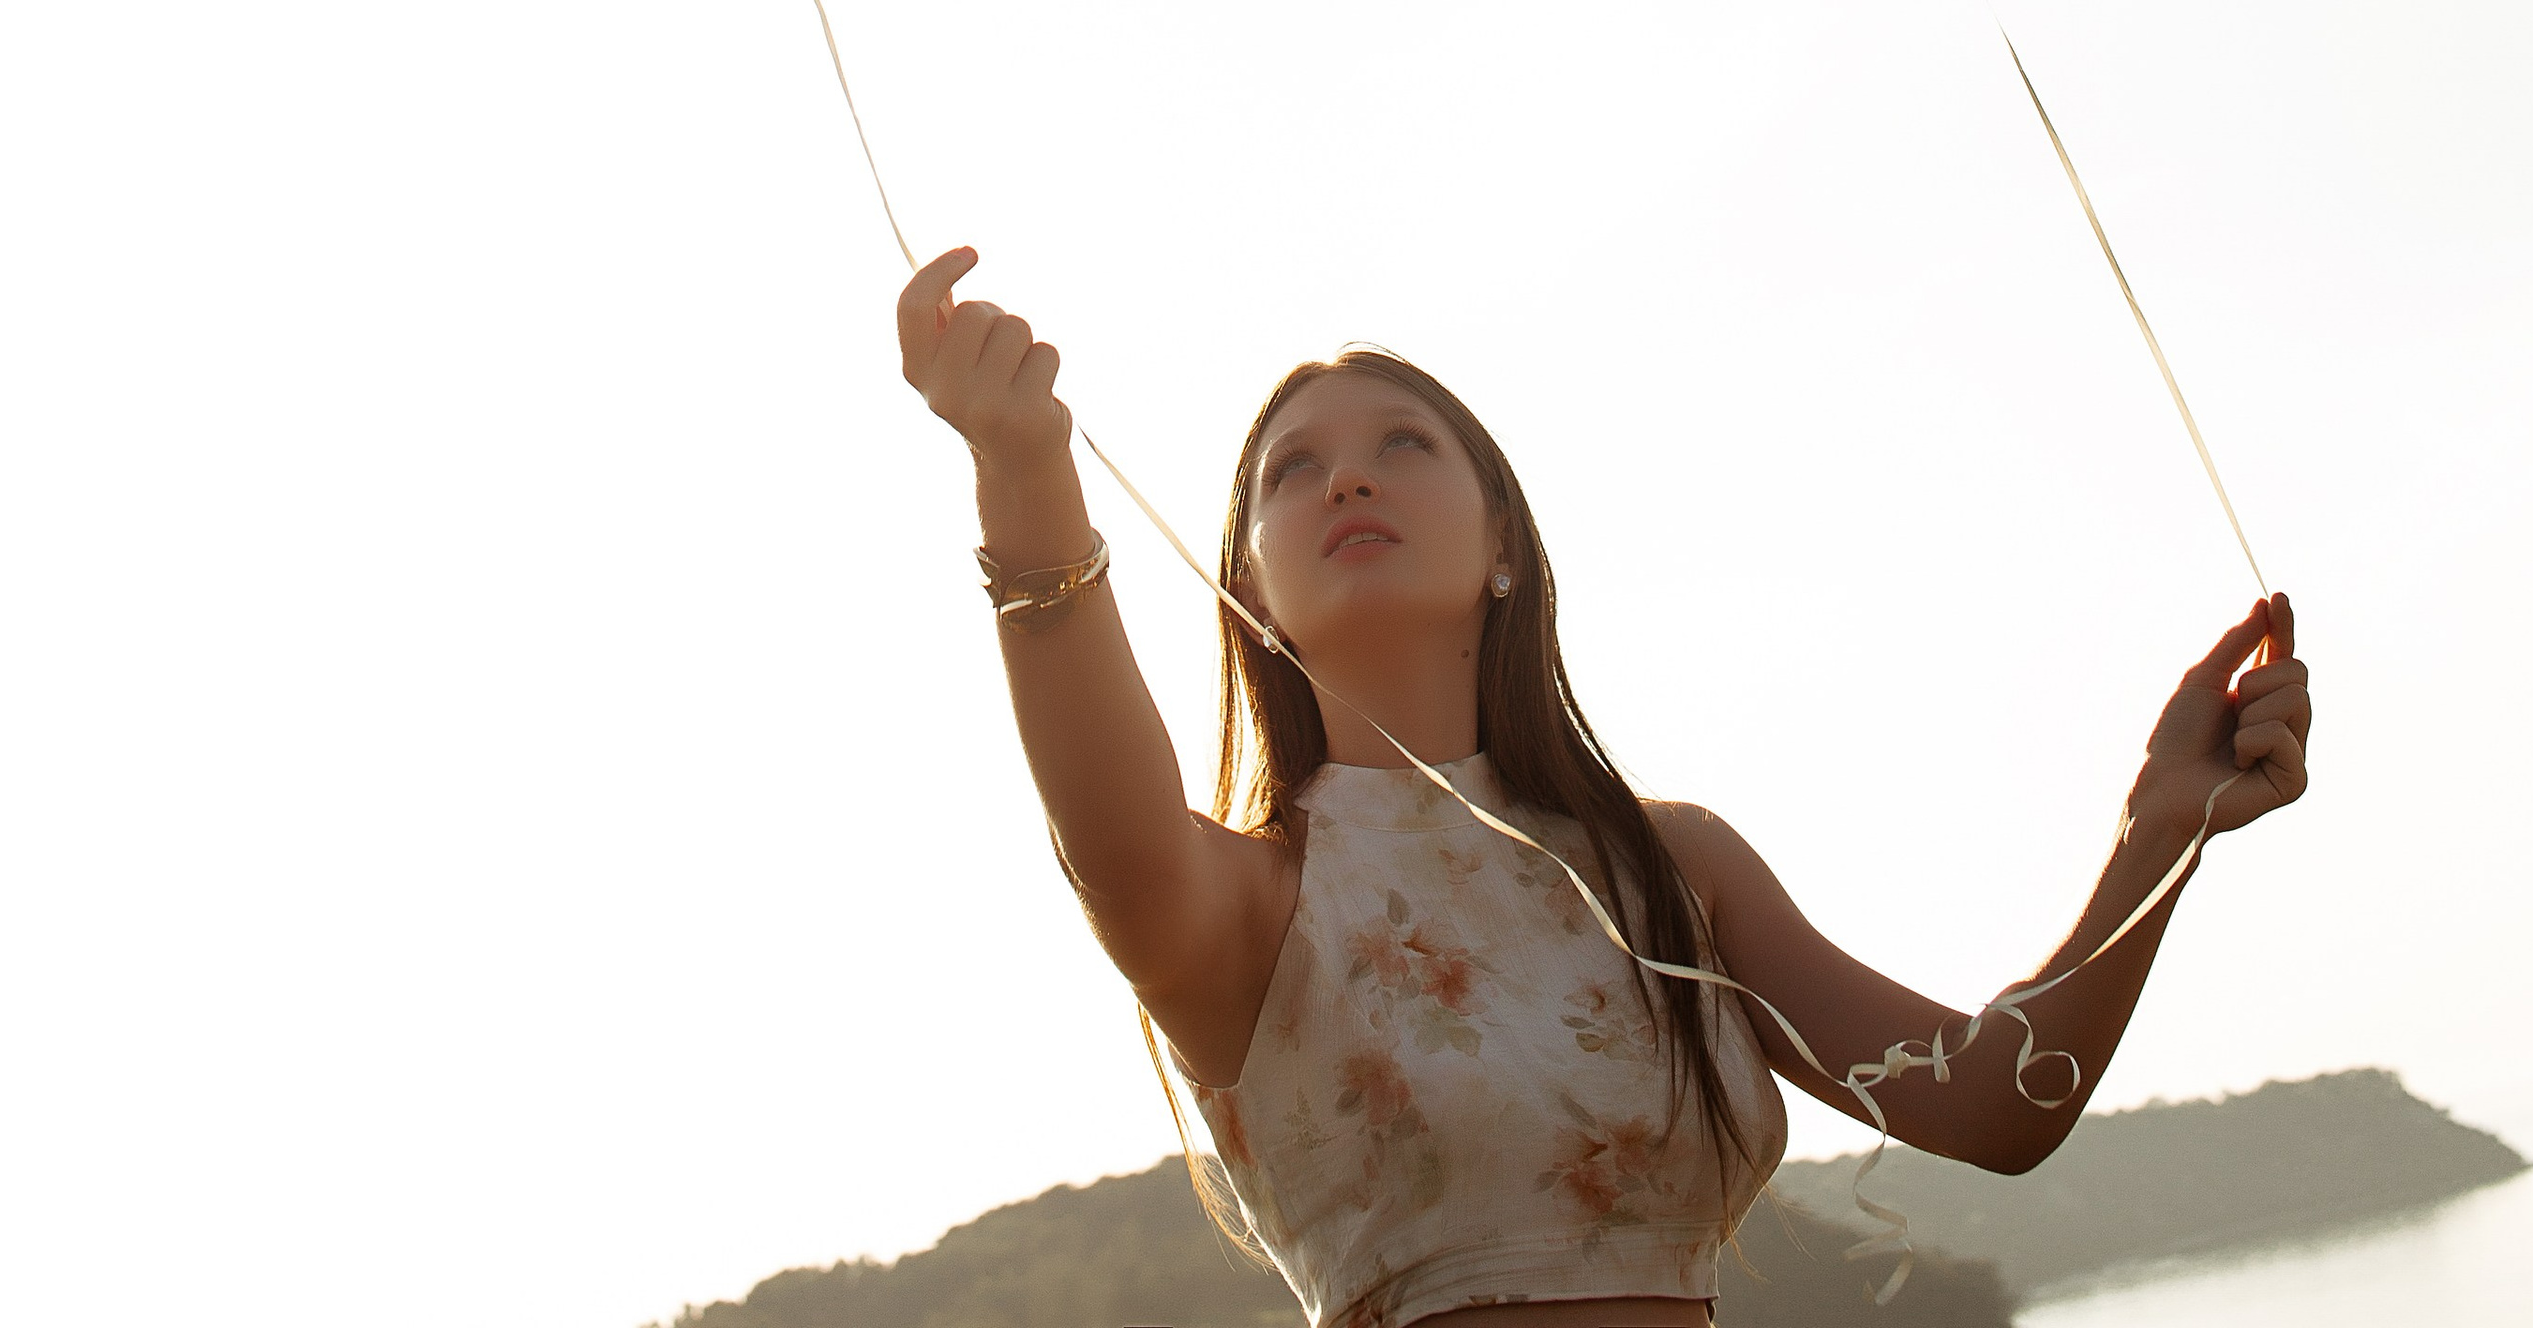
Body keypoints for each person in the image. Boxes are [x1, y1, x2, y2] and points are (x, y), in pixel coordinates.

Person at [897, 249, 2311, 1328]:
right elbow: (1103, 821)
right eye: (1293, 471)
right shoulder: (1248, 901)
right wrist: (1023, 470)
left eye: (1403, 443)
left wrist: (2161, 827)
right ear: (1249, 580)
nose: (1346, 481)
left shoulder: (1671, 869)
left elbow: (2001, 1107)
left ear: (1502, 539)